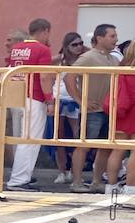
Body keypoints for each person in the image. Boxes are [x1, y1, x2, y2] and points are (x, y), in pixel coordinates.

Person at [66, 23, 121, 192]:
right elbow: (69, 78)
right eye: (112, 36)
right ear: (99, 38)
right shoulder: (88, 57)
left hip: (108, 110)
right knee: (84, 145)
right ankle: (76, 182)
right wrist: (81, 100)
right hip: (93, 111)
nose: (116, 39)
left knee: (105, 146)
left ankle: (96, 182)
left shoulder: (113, 59)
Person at [5, 18, 55, 192]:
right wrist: (50, 100)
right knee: (30, 140)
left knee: (22, 139)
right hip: (34, 97)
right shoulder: (43, 49)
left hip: (16, 96)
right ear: (45, 31)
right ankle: (19, 180)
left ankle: (20, 177)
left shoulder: (17, 48)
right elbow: (44, 76)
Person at [52, 31, 86, 184]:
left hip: (76, 100)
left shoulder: (84, 59)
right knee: (58, 137)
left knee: (77, 136)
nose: (78, 47)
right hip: (59, 99)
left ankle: (74, 171)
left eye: (80, 43)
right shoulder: (59, 60)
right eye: (74, 44)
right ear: (67, 46)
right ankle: (62, 171)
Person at [102, 41, 135, 196]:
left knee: (117, 150)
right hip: (133, 112)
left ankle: (111, 187)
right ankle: (130, 188)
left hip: (121, 112)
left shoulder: (122, 67)